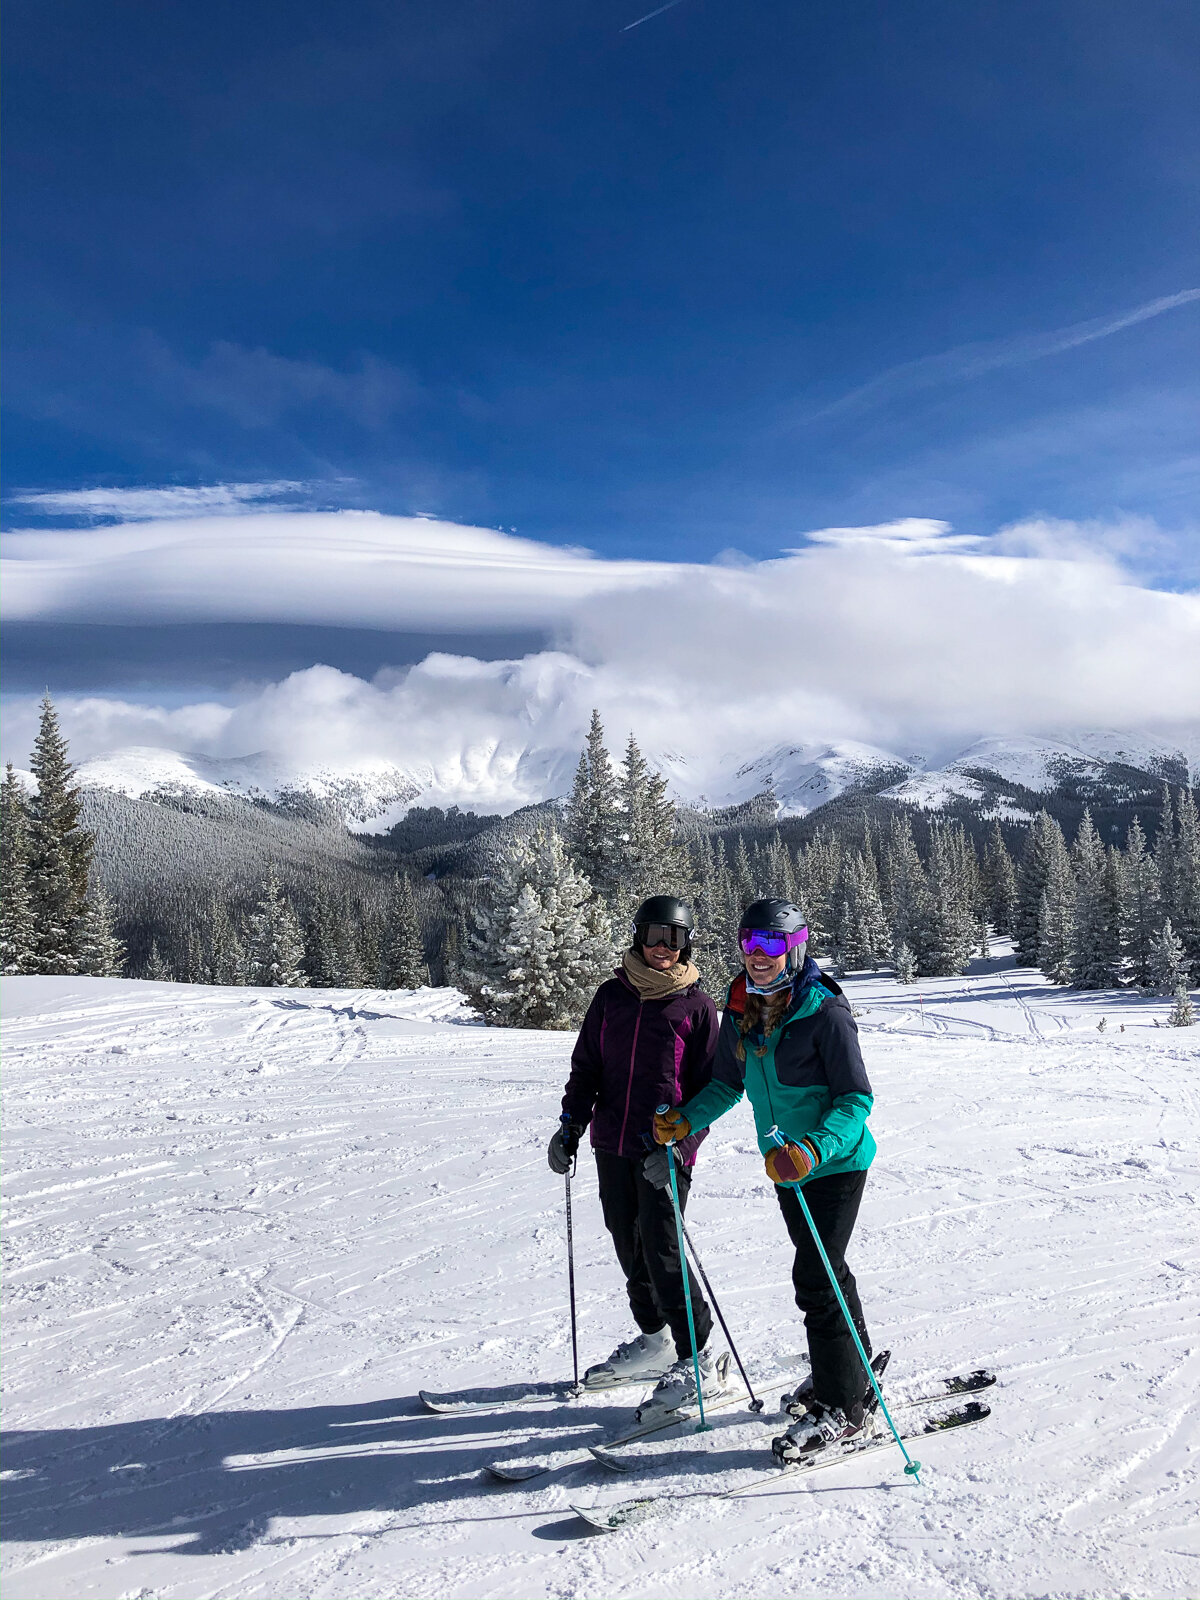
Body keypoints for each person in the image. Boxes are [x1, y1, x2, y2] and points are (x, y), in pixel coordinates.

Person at [652, 897, 876, 1459]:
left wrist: (812, 1149)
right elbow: (730, 1084)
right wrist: (685, 1121)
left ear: (795, 948)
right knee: (830, 1272)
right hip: (786, 1167)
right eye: (749, 942)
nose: (759, 955)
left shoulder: (823, 1011)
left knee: (816, 1281)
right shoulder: (747, 1006)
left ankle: (843, 1409)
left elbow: (855, 1101)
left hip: (835, 1165)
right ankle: (855, 1377)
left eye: (772, 944)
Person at [549, 895, 722, 1408]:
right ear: (638, 938)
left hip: (664, 1153)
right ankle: (655, 1343)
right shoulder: (611, 998)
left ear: (686, 943)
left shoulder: (696, 1006)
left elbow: (710, 1092)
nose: (662, 947)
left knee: (663, 1251)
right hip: (611, 1144)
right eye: (653, 935)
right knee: (629, 1248)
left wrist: (682, 1144)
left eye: (673, 938)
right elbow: (587, 1068)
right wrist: (569, 1126)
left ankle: (698, 1357)